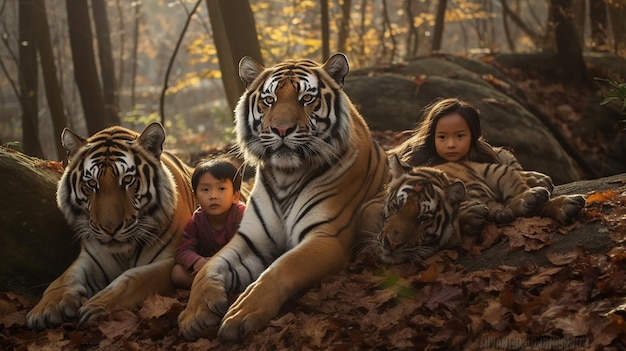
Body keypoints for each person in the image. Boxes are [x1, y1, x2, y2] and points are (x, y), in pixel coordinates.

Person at [171, 158, 246, 289]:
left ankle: (220, 287)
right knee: (177, 273)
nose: (213, 196)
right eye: (205, 190)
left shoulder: (241, 214)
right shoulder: (197, 220)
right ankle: (214, 288)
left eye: (221, 188)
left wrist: (217, 262)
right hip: (209, 268)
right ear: (196, 198)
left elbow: (245, 248)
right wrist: (197, 261)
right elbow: (183, 250)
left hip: (237, 265)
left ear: (235, 196)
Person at [389, 97, 503, 167]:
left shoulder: (484, 157)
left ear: (473, 135)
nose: (451, 145)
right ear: (432, 136)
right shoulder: (417, 159)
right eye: (442, 137)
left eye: (460, 136)